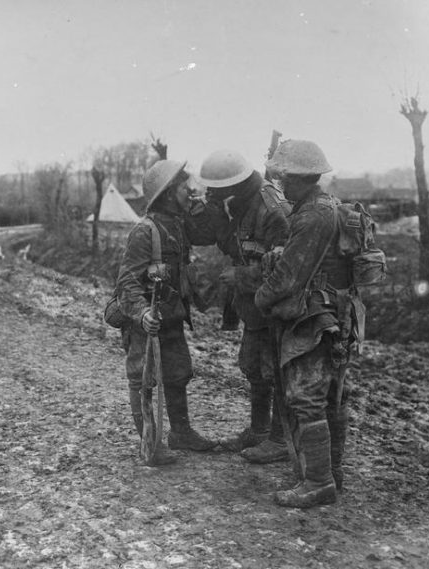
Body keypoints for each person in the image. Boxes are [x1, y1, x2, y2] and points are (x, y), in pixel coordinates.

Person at [255, 139, 361, 508]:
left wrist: (261, 297)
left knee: (306, 397)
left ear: (302, 178)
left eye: (286, 177)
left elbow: (289, 276)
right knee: (330, 397)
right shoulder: (323, 206)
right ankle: (331, 474)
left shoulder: (313, 215)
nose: (282, 184)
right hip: (334, 313)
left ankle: (318, 481)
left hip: (315, 318)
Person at [188, 150, 292, 463]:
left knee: (277, 370)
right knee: (253, 367)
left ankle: (281, 438)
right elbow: (221, 239)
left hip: (277, 306)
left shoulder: (273, 211)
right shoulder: (237, 205)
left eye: (214, 189)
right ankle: (259, 431)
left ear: (233, 185)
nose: (211, 194)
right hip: (253, 307)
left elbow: (289, 268)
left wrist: (241, 275)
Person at [116, 159, 217, 466]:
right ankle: (151, 443)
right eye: (185, 188)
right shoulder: (144, 232)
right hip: (145, 321)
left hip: (171, 315)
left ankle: (181, 433)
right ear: (169, 193)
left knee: (177, 373)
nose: (190, 191)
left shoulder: (178, 225)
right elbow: (126, 281)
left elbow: (210, 233)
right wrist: (142, 313)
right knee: (143, 379)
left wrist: (205, 205)